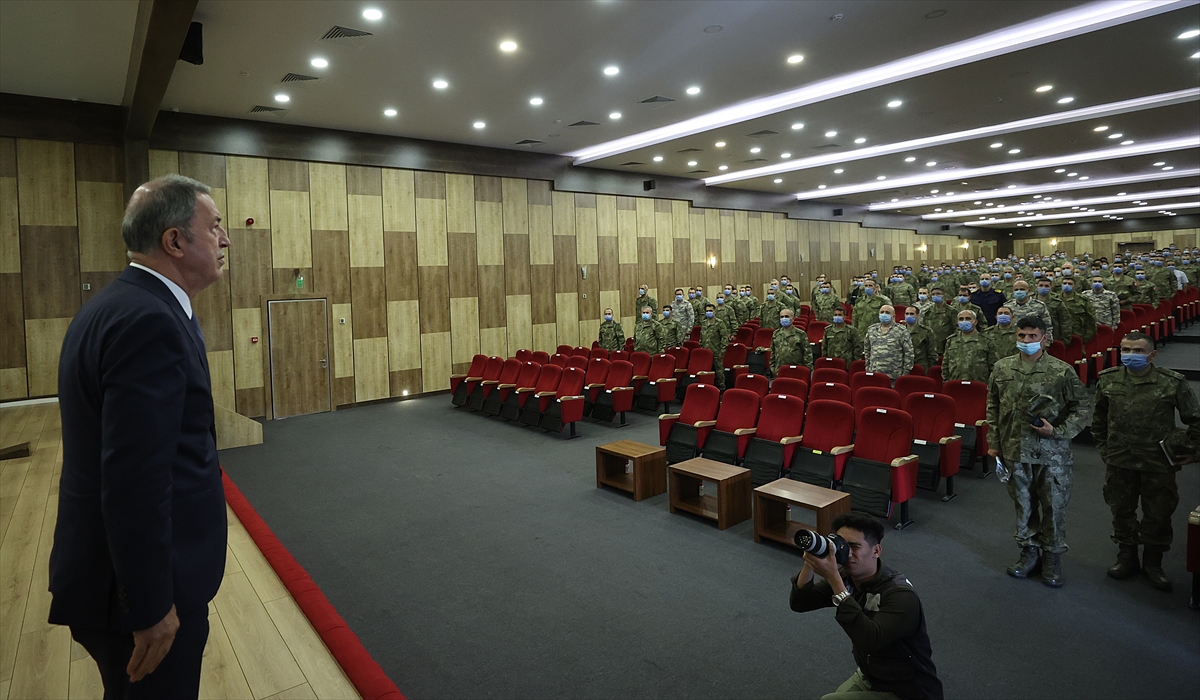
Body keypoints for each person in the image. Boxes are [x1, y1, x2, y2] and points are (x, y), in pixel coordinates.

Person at [51, 175, 230, 698]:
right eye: (214, 227)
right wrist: (150, 606)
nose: (224, 239)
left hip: (115, 575)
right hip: (141, 596)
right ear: (175, 241)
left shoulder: (122, 304)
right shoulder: (149, 322)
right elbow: (135, 480)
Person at [789, 513, 944, 700]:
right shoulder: (847, 577)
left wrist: (834, 579)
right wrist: (811, 561)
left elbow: (869, 639)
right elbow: (800, 603)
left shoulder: (900, 595)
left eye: (854, 546)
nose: (847, 553)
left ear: (876, 551)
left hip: (907, 689)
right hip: (872, 674)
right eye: (842, 545)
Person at [986, 317, 1090, 588]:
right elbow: (993, 406)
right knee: (1024, 505)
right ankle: (1029, 551)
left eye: (1032, 336)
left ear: (1044, 338)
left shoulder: (1061, 371)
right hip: (1015, 448)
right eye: (1022, 336)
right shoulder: (1002, 367)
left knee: (1053, 505)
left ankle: (1052, 556)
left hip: (1051, 453)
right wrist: (994, 441)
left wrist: (1058, 431)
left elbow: (1081, 408)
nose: (1026, 341)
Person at [1093, 332, 1200, 591]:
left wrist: (1196, 452)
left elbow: (1195, 419)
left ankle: (1153, 562)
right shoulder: (1108, 379)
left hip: (1158, 462)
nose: (1131, 355)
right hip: (1120, 460)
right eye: (1126, 349)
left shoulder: (1171, 382)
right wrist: (1105, 450)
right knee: (1122, 510)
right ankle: (1127, 556)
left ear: (1152, 354)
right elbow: (1099, 420)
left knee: (1159, 514)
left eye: (1138, 351)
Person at [942, 310, 995, 383]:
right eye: (961, 319)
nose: (964, 321)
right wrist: (947, 382)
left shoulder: (987, 341)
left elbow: (993, 366)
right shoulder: (951, 340)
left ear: (975, 322)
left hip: (979, 384)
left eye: (968, 318)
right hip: (956, 383)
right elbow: (945, 365)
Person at [863, 304, 913, 379]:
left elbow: (908, 353)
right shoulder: (871, 330)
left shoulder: (901, 331)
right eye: (882, 312)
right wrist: (868, 367)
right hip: (874, 373)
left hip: (894, 375)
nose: (884, 314)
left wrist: (905, 373)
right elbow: (867, 350)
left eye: (887, 312)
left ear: (893, 316)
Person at [770, 308, 814, 376]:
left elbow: (807, 353)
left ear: (793, 319)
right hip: (779, 370)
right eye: (782, 317)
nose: (784, 318)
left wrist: (807, 370)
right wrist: (772, 368)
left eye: (786, 316)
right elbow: (773, 352)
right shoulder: (776, 334)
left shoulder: (800, 334)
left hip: (797, 370)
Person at [699, 303, 730, 390]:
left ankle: (721, 390)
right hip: (706, 352)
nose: (708, 312)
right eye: (707, 311)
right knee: (707, 372)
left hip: (716, 351)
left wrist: (722, 352)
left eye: (710, 311)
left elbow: (724, 338)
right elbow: (701, 336)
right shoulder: (704, 323)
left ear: (715, 311)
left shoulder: (719, 323)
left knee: (719, 372)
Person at [1057, 276, 1097, 343]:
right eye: (1064, 283)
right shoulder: (1055, 300)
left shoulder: (1083, 300)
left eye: (1070, 284)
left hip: (1079, 336)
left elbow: (1091, 319)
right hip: (1059, 337)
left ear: (1074, 286)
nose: (1067, 285)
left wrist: (1086, 338)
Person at [904, 307, 938, 371]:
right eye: (907, 314)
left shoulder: (926, 331)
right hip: (904, 367)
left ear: (918, 315)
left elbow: (932, 353)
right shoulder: (900, 330)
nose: (909, 316)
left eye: (912, 314)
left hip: (921, 367)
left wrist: (931, 369)